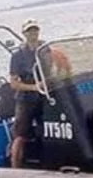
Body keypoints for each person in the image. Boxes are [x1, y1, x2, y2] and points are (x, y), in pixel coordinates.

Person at [8, 19, 72, 169]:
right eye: (29, 30)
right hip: (26, 100)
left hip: (46, 96)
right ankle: (15, 168)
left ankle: (52, 162)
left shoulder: (47, 50)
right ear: (24, 34)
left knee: (51, 129)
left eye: (35, 30)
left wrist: (61, 78)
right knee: (20, 136)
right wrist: (34, 87)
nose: (33, 33)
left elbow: (62, 68)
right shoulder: (17, 56)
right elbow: (14, 84)